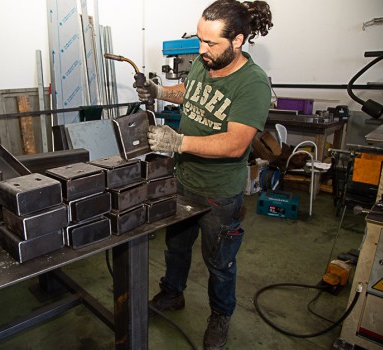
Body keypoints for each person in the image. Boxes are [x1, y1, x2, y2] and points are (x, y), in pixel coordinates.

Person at [135, 1, 273, 349]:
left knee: (220, 262)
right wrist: (159, 92)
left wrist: (178, 140)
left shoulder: (252, 83)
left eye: (210, 43)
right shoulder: (204, 61)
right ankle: (172, 294)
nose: (202, 49)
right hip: (184, 181)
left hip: (219, 193)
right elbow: (191, 93)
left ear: (237, 40)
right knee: (176, 248)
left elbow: (234, 144)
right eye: (200, 40)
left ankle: (220, 316)